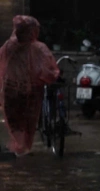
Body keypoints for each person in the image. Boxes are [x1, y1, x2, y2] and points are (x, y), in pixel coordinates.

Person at [0, 15, 59, 157]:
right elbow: (46, 70)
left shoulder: (8, 46)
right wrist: (53, 76)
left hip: (10, 89)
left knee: (15, 121)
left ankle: (20, 148)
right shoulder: (38, 48)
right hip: (30, 91)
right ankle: (23, 148)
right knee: (27, 120)